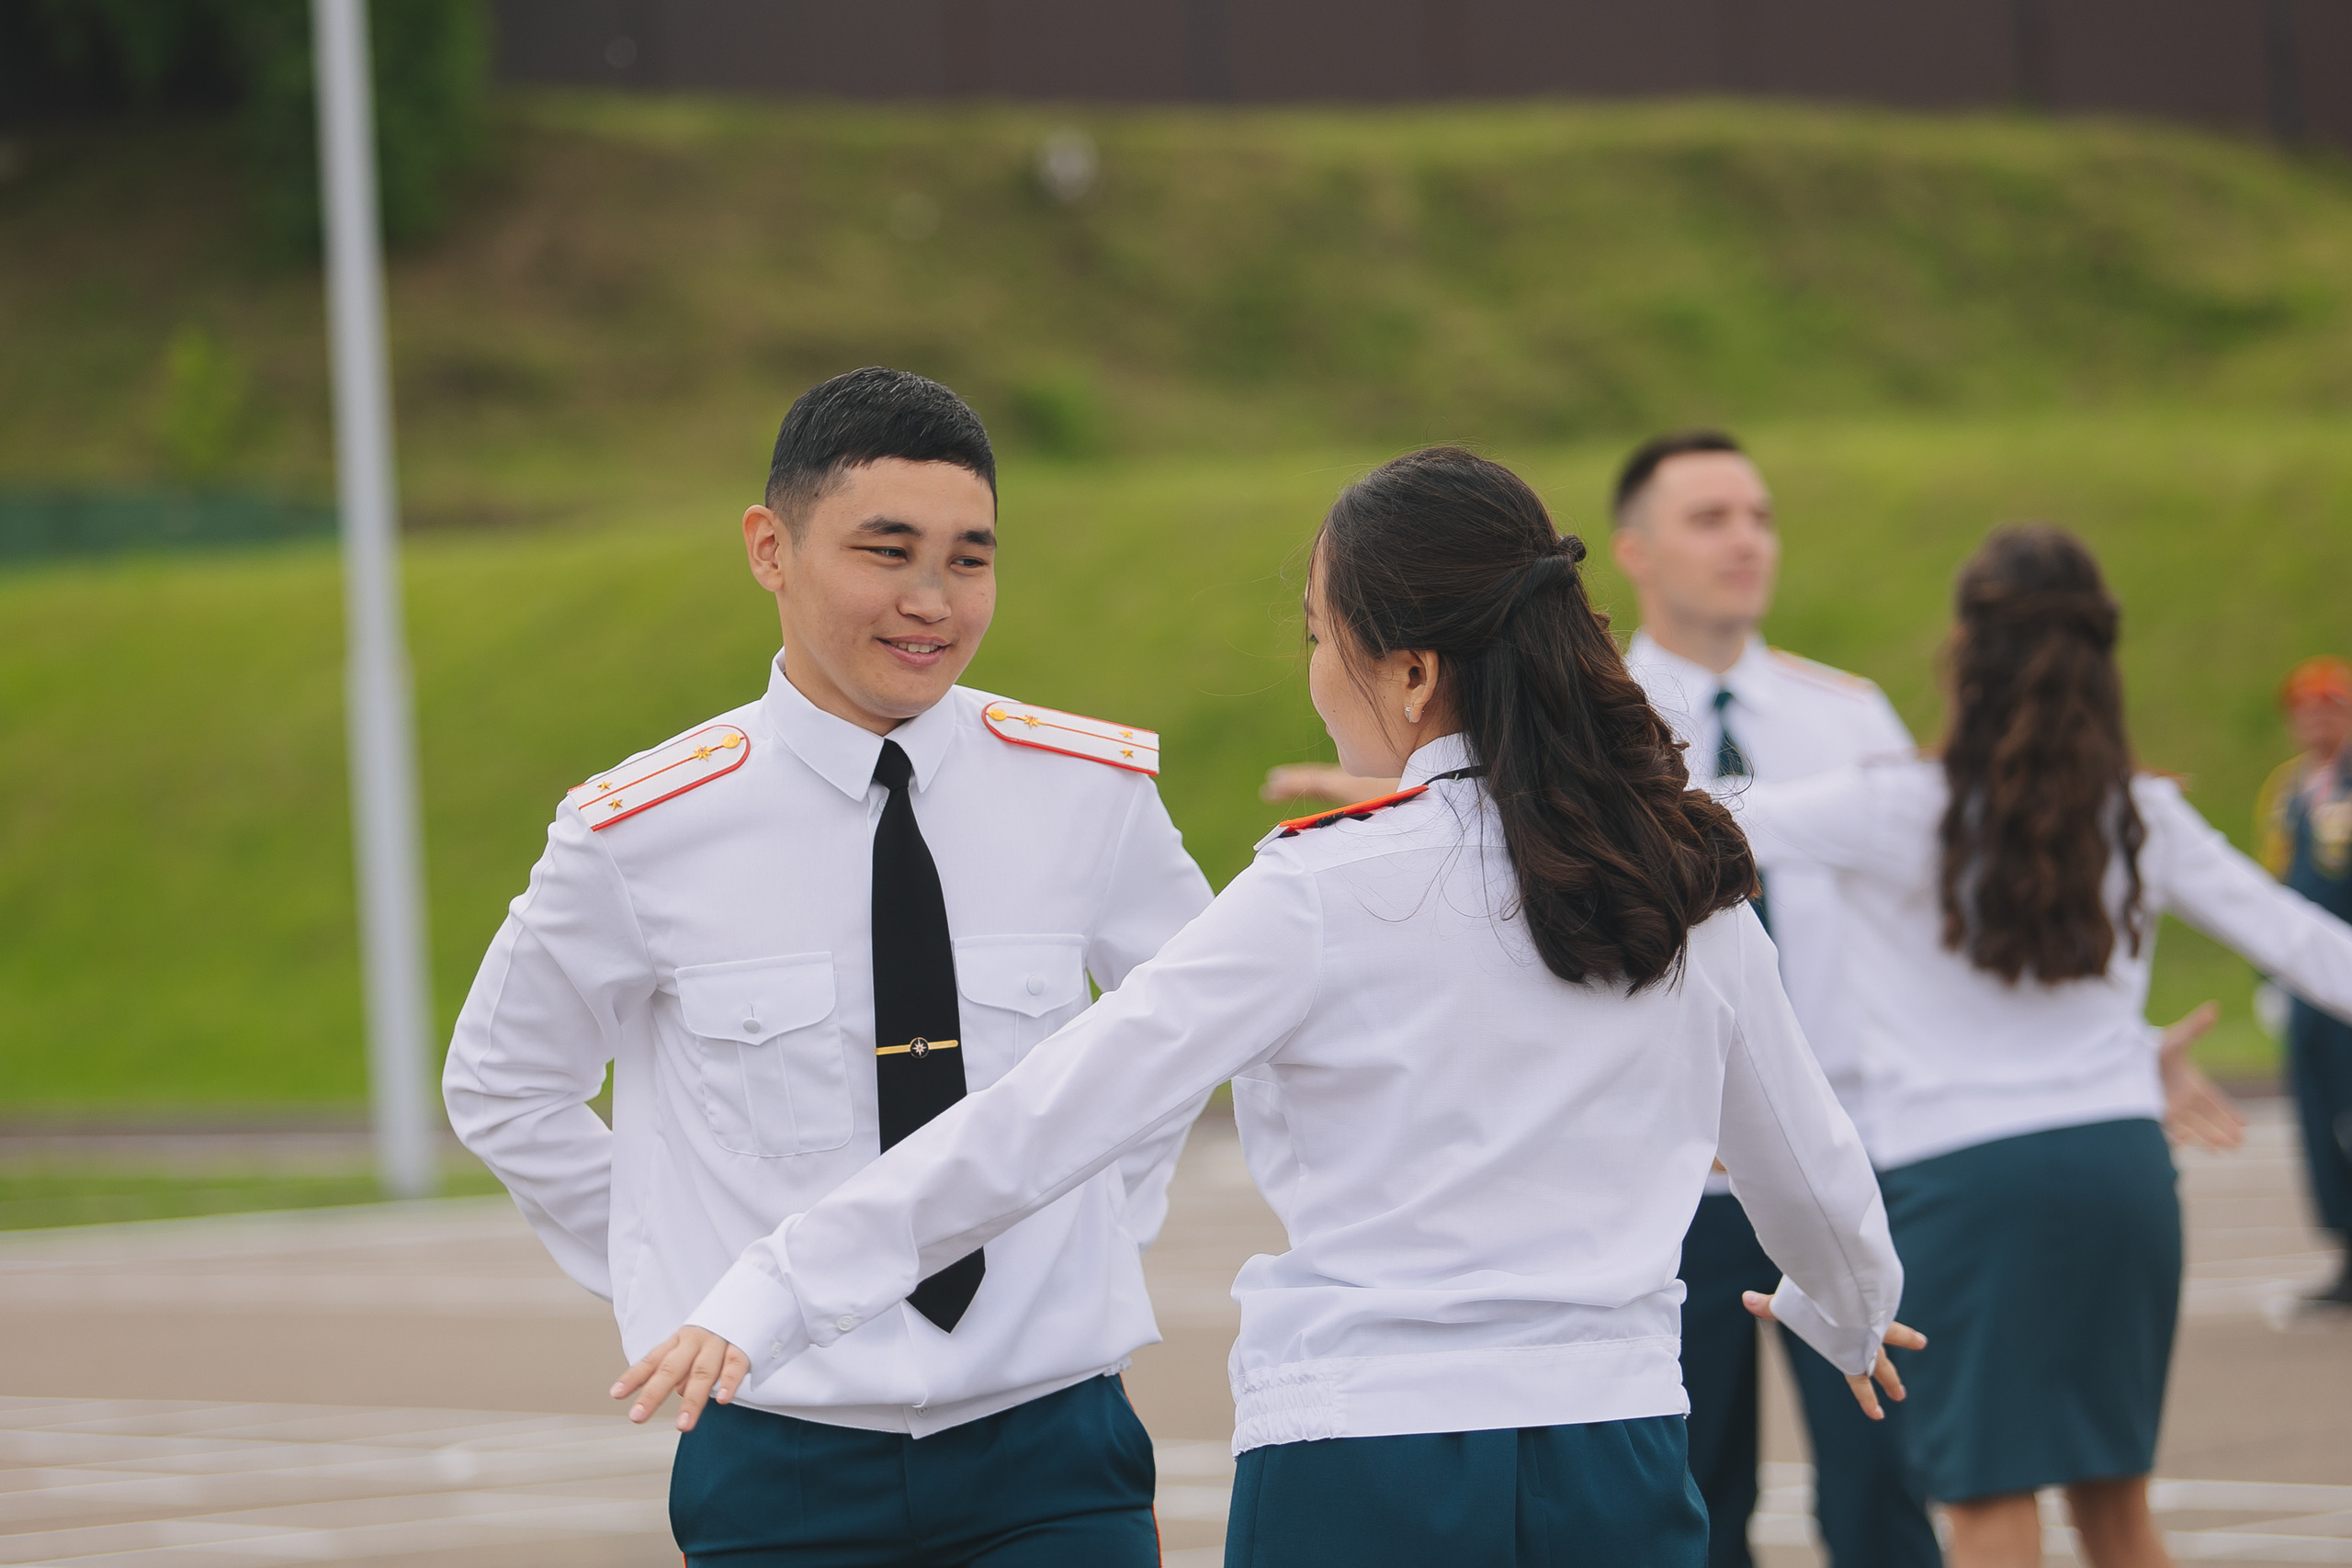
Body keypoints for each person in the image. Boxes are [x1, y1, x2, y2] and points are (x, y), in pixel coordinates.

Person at [616, 446, 1923, 1568]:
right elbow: (1805, 1163)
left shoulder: (1319, 886)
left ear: (1409, 674)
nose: (1314, 666)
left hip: (1361, 1456)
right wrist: (1850, 1308)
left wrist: (774, 1284)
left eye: (1319, 633)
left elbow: (1041, 1118)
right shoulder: (1683, 872)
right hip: (1620, 1448)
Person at [443, 367, 1216, 1566]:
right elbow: (505, 1080)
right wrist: (691, 1280)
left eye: (970, 558)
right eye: (886, 549)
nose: (931, 600)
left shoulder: (1087, 795)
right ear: (770, 547)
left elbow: (1189, 1030)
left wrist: (1096, 1218)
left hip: (1051, 1449)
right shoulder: (643, 829)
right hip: (784, 1459)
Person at [1271, 430, 1942, 1568]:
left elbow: (1917, 921)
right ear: (1626, 552)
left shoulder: (1849, 715)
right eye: (1708, 517)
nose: (1744, 541)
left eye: (1759, 515)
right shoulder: (1563, 718)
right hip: (1653, 1187)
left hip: (1821, 1145)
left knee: (1882, 1502)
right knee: (1704, 1486)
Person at [1722, 525, 2352, 1568]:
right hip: (2121, 1170)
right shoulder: (2138, 811)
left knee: (1987, 1505)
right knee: (2116, 1505)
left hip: (1963, 1182)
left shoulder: (1890, 805)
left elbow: (1695, 823)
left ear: (1964, 650)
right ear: (2098, 660)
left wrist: (1454, 795)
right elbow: (2309, 947)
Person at [2255, 655, 2352, 1305]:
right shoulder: (2290, 790)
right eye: (2306, 708)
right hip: (2307, 986)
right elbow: (2272, 884)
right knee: (2320, 1117)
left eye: (2330, 706)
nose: (2317, 719)